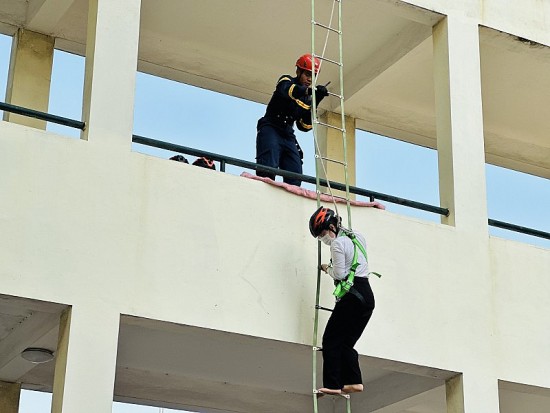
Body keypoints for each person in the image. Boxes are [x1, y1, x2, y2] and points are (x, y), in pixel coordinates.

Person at [309, 206, 375, 395]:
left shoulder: (338, 244)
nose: (323, 239)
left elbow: (340, 273)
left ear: (331, 227)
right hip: (367, 296)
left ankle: (333, 384)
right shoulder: (358, 237)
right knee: (346, 343)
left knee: (331, 339)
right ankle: (354, 382)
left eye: (322, 234)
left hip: (351, 297)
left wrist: (326, 268)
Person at [256, 53, 329, 186]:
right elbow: (288, 91)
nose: (309, 79)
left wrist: (316, 100)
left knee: (295, 174)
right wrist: (309, 92)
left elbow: (304, 126)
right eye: (307, 74)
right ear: (298, 71)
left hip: (288, 134)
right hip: (271, 126)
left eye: (312, 76)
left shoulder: (307, 98)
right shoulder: (286, 80)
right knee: (268, 167)